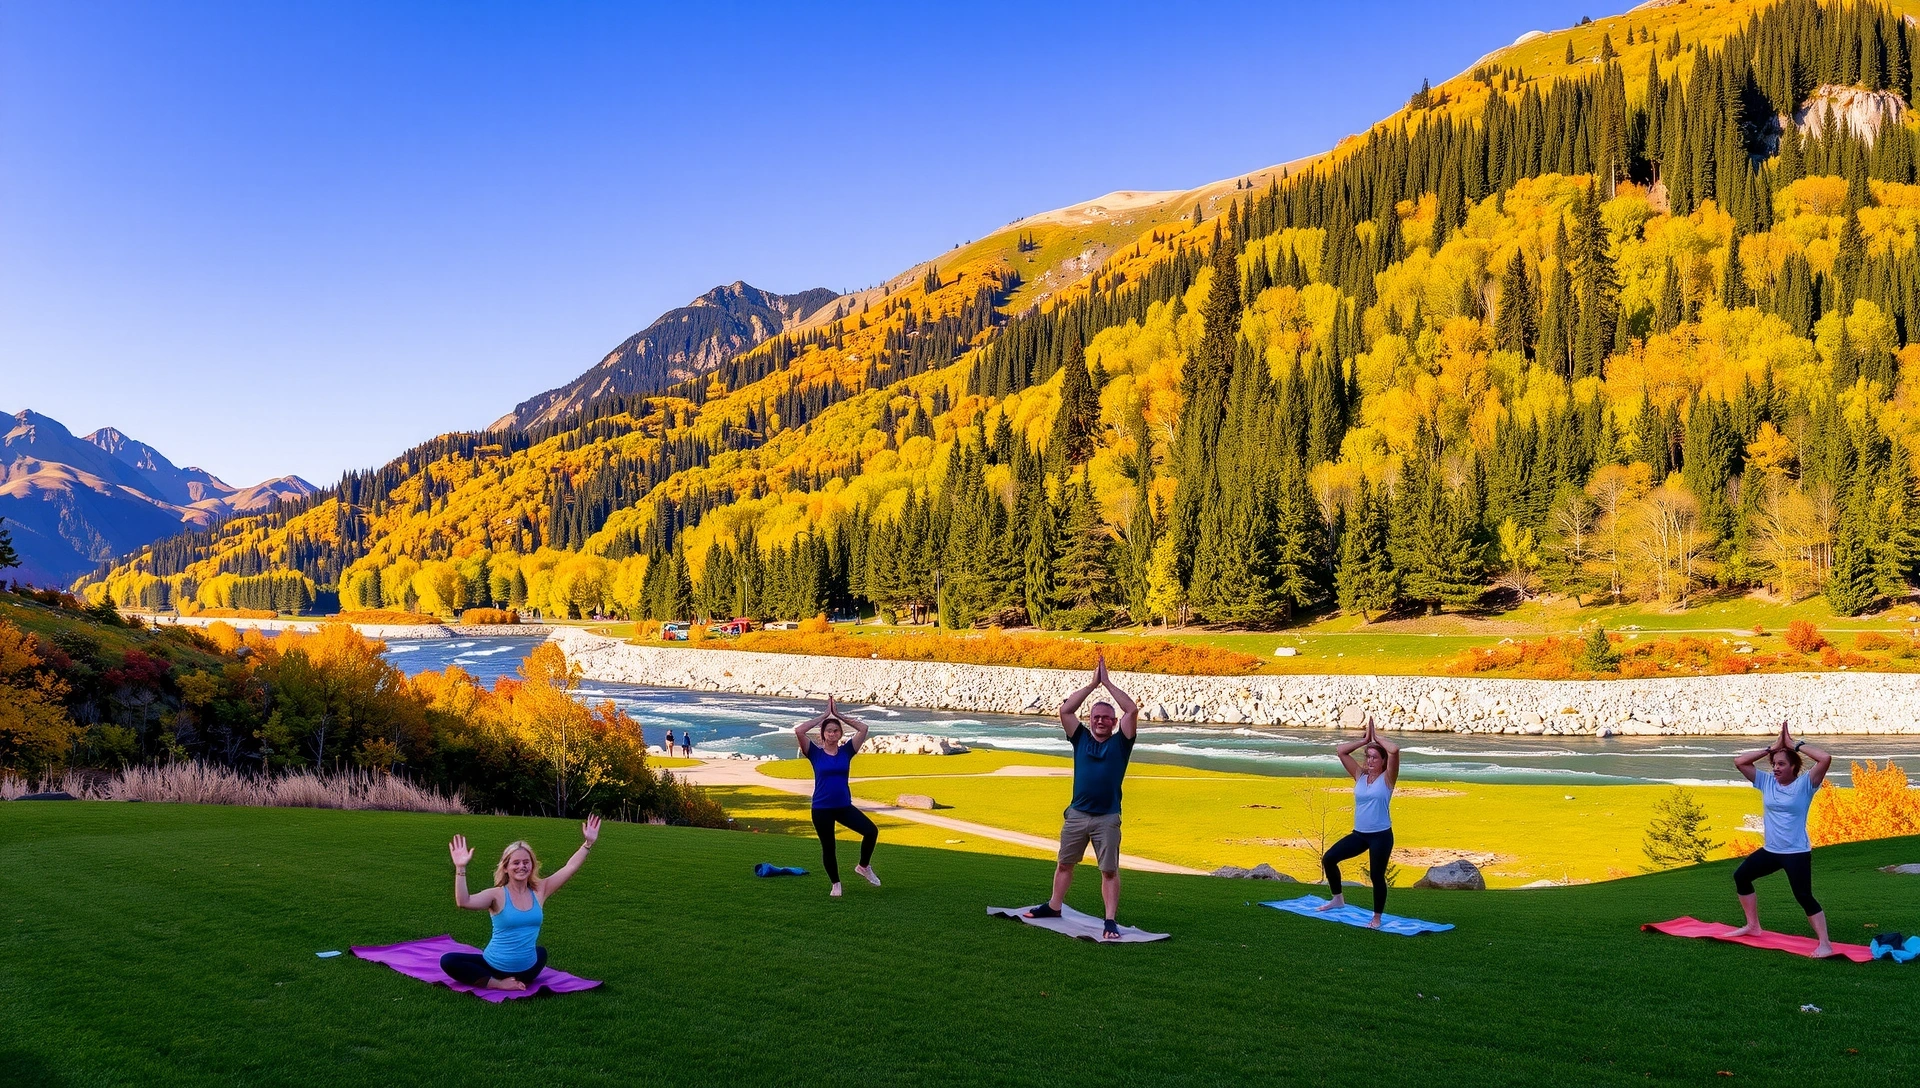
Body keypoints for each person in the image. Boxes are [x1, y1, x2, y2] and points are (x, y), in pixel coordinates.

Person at [1025, 655, 1139, 940]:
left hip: (1108, 818)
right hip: (1077, 815)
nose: (1100, 721)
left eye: (1106, 718)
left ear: (1114, 722)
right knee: (1064, 863)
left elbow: (1131, 710)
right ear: (1090, 720)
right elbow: (1066, 711)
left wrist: (1108, 683)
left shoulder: (1121, 742)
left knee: (1109, 871)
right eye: (1095, 717)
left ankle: (1110, 920)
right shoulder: (1081, 738)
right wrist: (1091, 685)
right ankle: (1054, 906)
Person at [441, 816, 600, 990]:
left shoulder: (540, 889)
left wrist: (588, 843)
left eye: (526, 862)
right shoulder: (497, 894)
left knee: (541, 952)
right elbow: (464, 901)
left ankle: (506, 980)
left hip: (528, 971)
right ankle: (498, 984)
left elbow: (569, 867)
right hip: (494, 967)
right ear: (506, 867)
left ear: (532, 865)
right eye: (515, 863)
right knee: (448, 961)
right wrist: (460, 867)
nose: (521, 866)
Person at [1728, 721, 1835, 956]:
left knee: (1803, 895)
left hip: (1796, 852)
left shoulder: (1806, 784)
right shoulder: (1767, 782)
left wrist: (1795, 745)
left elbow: (1825, 758)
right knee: (1741, 876)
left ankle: (1825, 943)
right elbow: (1739, 761)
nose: (1775, 768)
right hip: (1771, 851)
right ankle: (1753, 926)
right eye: (1774, 764)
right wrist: (1772, 747)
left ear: (1793, 767)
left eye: (1781, 764)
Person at [1318, 713, 1400, 928]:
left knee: (1376, 876)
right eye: (1368, 756)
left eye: (1375, 757)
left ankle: (1377, 917)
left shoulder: (1388, 779)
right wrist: (1364, 740)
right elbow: (1341, 750)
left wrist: (1377, 738)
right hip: (1360, 834)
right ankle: (1338, 899)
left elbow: (1394, 750)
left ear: (1383, 762)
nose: (1370, 761)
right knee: (1329, 859)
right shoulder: (1359, 775)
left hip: (1381, 835)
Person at [795, 696, 880, 897]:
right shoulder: (814, 753)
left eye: (836, 730)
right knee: (829, 846)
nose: (832, 733)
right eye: (829, 730)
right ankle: (836, 884)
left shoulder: (846, 751)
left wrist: (839, 715)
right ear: (823, 734)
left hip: (843, 806)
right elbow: (799, 731)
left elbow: (863, 729)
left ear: (841, 733)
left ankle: (863, 866)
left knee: (871, 831)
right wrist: (824, 715)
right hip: (821, 808)